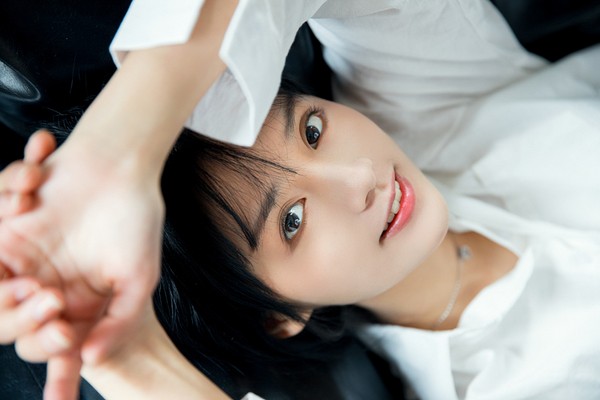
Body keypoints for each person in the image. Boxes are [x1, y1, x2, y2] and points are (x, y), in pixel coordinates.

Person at [2, 0, 599, 399]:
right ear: (279, 316)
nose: (359, 175)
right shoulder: (493, 385)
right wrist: (128, 359)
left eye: (312, 130)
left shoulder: (431, 103)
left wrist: (117, 149)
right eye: (291, 220)